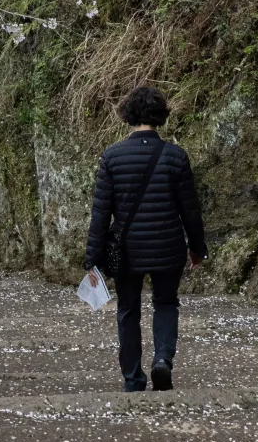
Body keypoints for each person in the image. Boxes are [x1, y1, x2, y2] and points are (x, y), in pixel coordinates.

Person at [84, 84, 206, 392]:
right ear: (160, 116)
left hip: (127, 250)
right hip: (169, 247)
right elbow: (190, 209)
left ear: (128, 115)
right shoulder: (176, 157)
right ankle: (162, 360)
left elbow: (100, 214)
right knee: (166, 303)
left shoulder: (112, 157)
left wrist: (92, 259)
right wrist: (197, 249)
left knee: (128, 309)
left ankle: (133, 378)